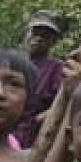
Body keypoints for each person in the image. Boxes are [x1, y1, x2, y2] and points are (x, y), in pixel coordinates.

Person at [13, 10, 66, 149]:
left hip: (33, 143)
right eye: (35, 33)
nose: (38, 38)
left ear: (53, 41)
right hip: (3, 137)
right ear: (27, 34)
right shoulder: (12, 64)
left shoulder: (57, 68)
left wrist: (46, 116)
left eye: (45, 36)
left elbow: (67, 101)